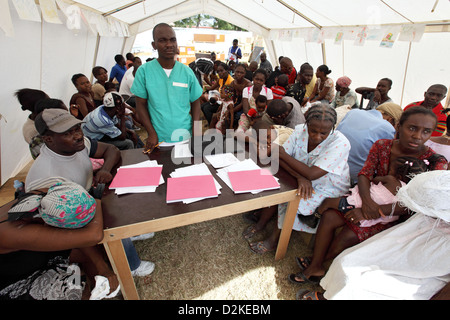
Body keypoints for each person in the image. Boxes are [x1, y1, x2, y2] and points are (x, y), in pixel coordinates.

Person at [293, 107, 448, 285]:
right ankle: (317, 264)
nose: (418, 136)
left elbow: (422, 203)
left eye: (426, 131)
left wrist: (376, 211)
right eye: (412, 128)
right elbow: (364, 174)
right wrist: (366, 204)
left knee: (350, 234)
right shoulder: (383, 145)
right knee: (329, 217)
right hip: (364, 198)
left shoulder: (436, 162)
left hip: (392, 214)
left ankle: (318, 264)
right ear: (399, 125)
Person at [25, 108, 155, 277]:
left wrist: (105, 169)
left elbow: (111, 150)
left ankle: (129, 233)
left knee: (132, 194)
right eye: (67, 133)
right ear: (48, 139)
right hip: (72, 217)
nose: (78, 136)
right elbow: (65, 225)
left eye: (77, 128)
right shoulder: (48, 176)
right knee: (112, 218)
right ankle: (131, 265)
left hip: (90, 196)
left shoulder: (77, 144)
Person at [306, 170, 450, 300]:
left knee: (368, 284)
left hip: (431, 259)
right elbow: (366, 176)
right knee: (347, 261)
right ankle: (329, 289)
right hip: (413, 233)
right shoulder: (432, 202)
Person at [244, 104, 351, 254]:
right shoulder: (300, 130)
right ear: (307, 124)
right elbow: (279, 158)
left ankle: (274, 240)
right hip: (302, 176)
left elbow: (311, 173)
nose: (317, 136)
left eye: (324, 133)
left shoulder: (340, 143)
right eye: (313, 131)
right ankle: (261, 223)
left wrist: (282, 154)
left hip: (328, 187)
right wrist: (300, 176)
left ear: (333, 128)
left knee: (293, 198)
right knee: (278, 185)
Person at [0, 187, 113, 300]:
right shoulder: (14, 233)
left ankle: (97, 287)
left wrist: (103, 268)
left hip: (29, 255)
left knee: (93, 253)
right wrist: (96, 200)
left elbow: (84, 237)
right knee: (71, 290)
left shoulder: (49, 197)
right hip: (14, 280)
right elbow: (93, 236)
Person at [131, 23, 203, 148]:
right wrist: (151, 133)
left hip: (186, 137)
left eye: (172, 40)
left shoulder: (186, 72)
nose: (169, 44)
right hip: (159, 140)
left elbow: (196, 102)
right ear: (154, 45)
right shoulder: (144, 71)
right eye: (162, 40)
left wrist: (196, 131)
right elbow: (140, 105)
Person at [337, 102, 403, 184]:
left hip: (333, 165)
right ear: (391, 119)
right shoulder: (387, 127)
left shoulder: (353, 112)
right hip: (355, 178)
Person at [235, 69, 273, 133]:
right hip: (248, 116)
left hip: (262, 118)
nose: (258, 82)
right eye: (256, 79)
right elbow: (245, 109)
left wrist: (258, 119)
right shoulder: (246, 90)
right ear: (253, 78)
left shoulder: (268, 92)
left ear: (264, 81)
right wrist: (251, 121)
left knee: (254, 133)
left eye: (261, 80)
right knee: (239, 132)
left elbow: (268, 110)